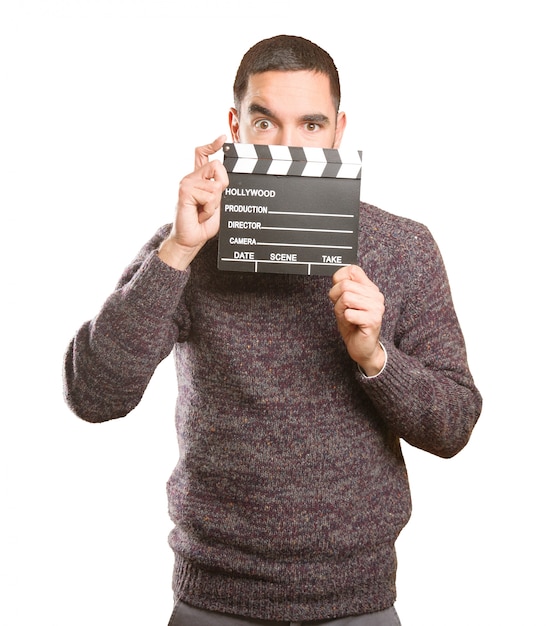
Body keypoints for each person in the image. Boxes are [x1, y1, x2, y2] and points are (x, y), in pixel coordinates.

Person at [63, 35, 482, 626]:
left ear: (338, 131)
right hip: (213, 598)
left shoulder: (404, 247)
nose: (288, 147)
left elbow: (455, 424)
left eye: (311, 125)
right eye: (266, 124)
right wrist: (179, 250)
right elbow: (93, 394)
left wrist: (375, 358)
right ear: (236, 127)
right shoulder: (188, 245)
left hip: (357, 600)